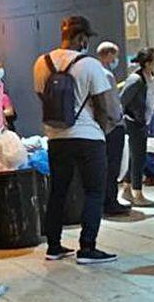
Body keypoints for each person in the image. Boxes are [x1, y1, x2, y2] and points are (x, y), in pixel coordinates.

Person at [33, 15, 123, 264]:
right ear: (81, 38)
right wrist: (107, 126)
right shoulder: (90, 64)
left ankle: (53, 246)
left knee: (58, 191)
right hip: (88, 137)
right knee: (94, 191)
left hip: (56, 137)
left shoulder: (41, 63)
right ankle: (87, 247)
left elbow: (43, 98)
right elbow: (107, 106)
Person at [120, 48, 154, 207]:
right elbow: (123, 100)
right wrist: (133, 117)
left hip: (143, 120)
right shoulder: (136, 80)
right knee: (139, 157)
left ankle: (127, 189)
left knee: (136, 156)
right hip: (135, 122)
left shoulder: (149, 76)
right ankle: (137, 193)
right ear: (148, 63)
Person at [96, 41, 129, 216]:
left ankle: (105, 201)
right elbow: (111, 104)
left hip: (101, 127)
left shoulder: (93, 72)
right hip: (112, 127)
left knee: (105, 166)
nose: (116, 59)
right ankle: (111, 202)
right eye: (114, 55)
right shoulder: (106, 75)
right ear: (107, 55)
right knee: (113, 165)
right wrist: (118, 119)